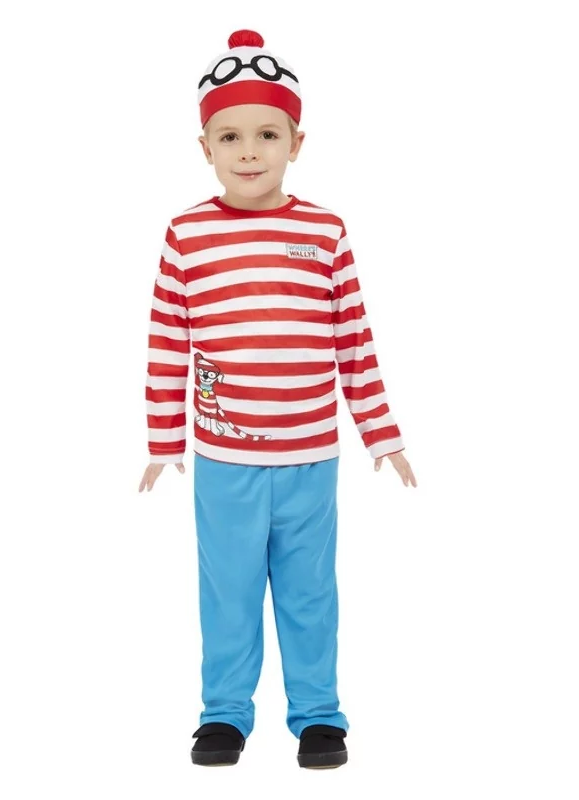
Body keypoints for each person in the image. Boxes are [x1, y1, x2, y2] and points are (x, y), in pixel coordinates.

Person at [138, 28, 417, 769]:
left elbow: (353, 338)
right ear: (205, 147)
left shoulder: (324, 232)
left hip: (309, 458)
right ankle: (224, 714)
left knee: (308, 592)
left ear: (297, 141)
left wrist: (381, 433)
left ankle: (319, 715)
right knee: (227, 592)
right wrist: (164, 440)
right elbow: (167, 341)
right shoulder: (186, 235)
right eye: (230, 136)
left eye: (268, 133)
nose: (250, 151)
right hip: (224, 459)